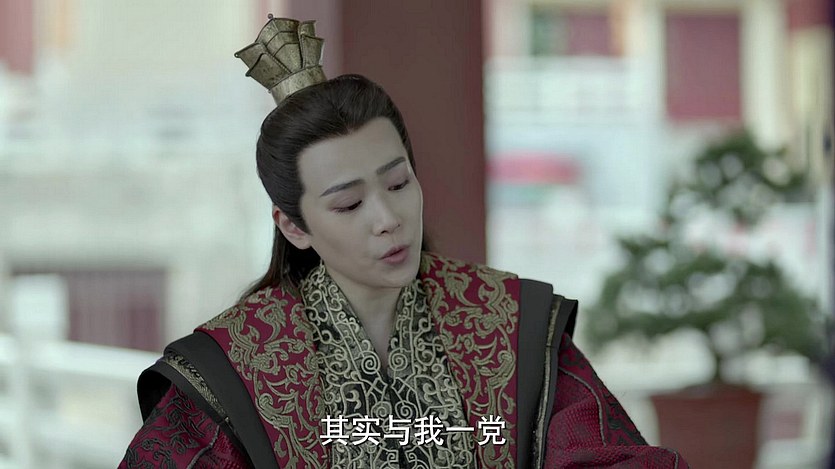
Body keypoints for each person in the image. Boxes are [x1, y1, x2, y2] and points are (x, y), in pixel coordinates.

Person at [119, 17, 688, 468]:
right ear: (293, 226)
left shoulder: (505, 323)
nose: (388, 219)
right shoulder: (240, 364)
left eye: (397, 184)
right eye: (349, 204)